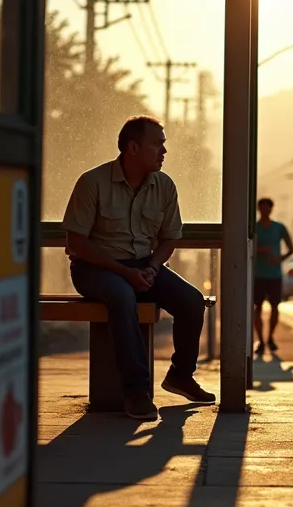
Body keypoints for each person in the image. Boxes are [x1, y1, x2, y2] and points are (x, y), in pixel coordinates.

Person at [62, 115, 215, 421]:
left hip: (145, 266)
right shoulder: (92, 182)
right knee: (122, 297)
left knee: (192, 301)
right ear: (133, 147)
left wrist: (153, 269)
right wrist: (125, 273)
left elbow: (170, 238)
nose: (163, 151)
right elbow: (77, 243)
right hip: (94, 268)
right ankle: (136, 391)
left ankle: (180, 376)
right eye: (157, 144)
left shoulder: (164, 186)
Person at [253, 197, 293, 355]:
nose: (265, 211)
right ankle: (261, 341)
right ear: (258, 209)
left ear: (271, 209)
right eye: (262, 208)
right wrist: (260, 251)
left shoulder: (278, 227)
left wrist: (279, 259)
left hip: (274, 274)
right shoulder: (254, 228)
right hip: (258, 274)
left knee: (275, 307)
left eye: (267, 208)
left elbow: (291, 248)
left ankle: (270, 337)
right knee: (257, 308)